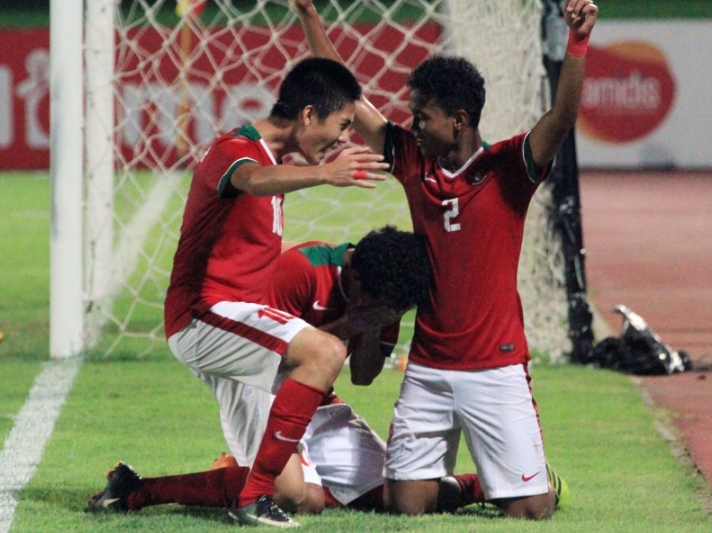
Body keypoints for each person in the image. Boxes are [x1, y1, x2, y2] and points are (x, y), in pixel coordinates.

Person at [292, 0, 597, 520]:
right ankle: (473, 484)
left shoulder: (509, 169)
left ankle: (526, 482)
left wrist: (578, 41)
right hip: (429, 367)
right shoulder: (413, 161)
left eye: (422, 117)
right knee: (407, 507)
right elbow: (351, 97)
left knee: (530, 511)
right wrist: (307, 16)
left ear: (458, 121)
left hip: (497, 368)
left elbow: (562, 116)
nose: (411, 127)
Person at [89, 228, 487, 520]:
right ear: (357, 278)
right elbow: (265, 355)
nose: (391, 314)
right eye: (384, 307)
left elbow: (364, 377)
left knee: (395, 495)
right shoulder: (300, 270)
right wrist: (349, 324)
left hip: (312, 398)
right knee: (297, 496)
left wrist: (370, 324)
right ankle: (136, 490)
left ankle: (488, 487)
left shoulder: (386, 294)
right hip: (252, 381)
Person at [164, 57, 393, 527]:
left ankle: (136, 490)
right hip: (204, 315)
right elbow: (251, 180)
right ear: (309, 115)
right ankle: (250, 498)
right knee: (325, 350)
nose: (343, 139)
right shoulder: (238, 151)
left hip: (232, 326)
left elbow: (255, 243)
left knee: (296, 494)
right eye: (342, 125)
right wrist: (327, 174)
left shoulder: (275, 167)